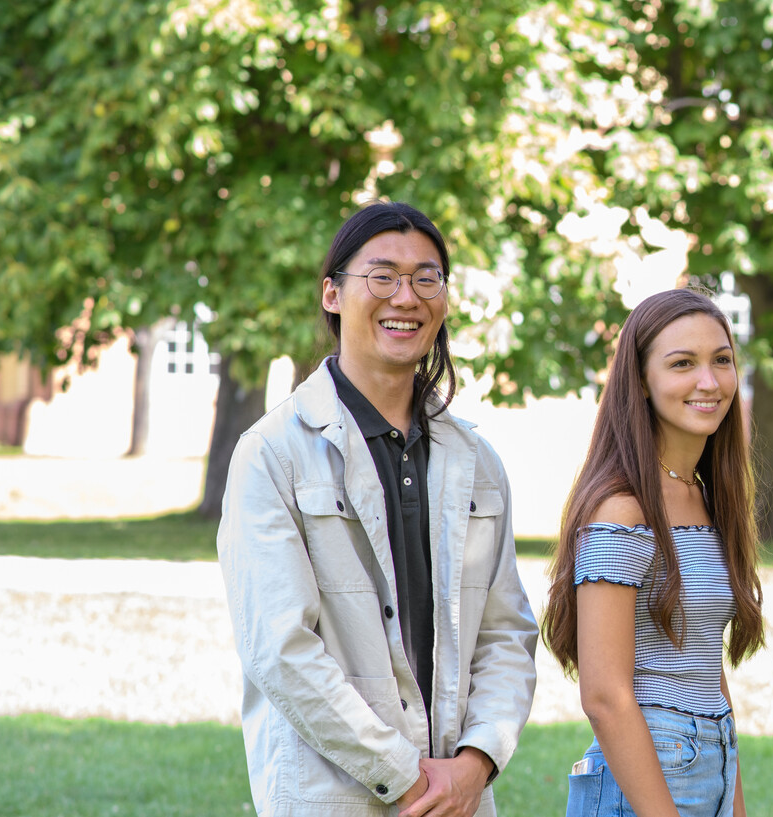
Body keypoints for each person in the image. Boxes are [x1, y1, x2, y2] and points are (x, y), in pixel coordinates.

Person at [218, 201, 539, 817]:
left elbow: (506, 634)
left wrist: (474, 764)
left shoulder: (478, 460)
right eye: (383, 276)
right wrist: (407, 778)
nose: (406, 297)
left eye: (426, 278)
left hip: (459, 801)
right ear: (333, 294)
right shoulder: (272, 454)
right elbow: (280, 650)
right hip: (332, 795)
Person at [544, 288, 765, 817]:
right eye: (682, 364)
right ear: (641, 381)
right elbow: (604, 695)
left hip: (710, 761)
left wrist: (733, 803)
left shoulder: (706, 497)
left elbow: (706, 666)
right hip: (642, 785)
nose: (709, 382)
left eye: (722, 361)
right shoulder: (622, 508)